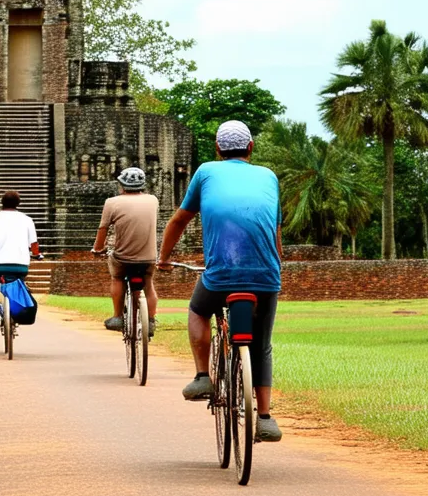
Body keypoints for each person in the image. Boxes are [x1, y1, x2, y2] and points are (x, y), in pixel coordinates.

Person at [157, 120, 284, 443]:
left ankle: (203, 376)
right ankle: (265, 417)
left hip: (220, 276)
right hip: (266, 276)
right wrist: (276, 267)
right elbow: (275, 231)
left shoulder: (206, 172)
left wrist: (164, 258)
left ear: (217, 148)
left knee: (198, 310)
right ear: (250, 148)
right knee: (262, 344)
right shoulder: (268, 176)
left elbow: (179, 220)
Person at [91, 167, 158, 337]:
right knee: (148, 283)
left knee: (117, 277)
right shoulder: (153, 200)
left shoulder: (112, 202)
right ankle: (150, 320)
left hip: (123, 258)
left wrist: (98, 249)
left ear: (121, 185)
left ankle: (117, 316)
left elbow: (103, 229)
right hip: (148, 257)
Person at [0, 190, 41, 327]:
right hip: (20, 265)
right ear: (18, 204)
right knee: (20, 279)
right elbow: (34, 244)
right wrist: (36, 254)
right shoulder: (27, 219)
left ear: (2, 203)